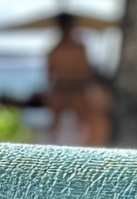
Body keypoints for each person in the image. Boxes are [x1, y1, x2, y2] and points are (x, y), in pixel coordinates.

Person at [44, 13, 112, 146]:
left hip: (61, 90)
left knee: (58, 130)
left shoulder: (54, 50)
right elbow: (86, 72)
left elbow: (50, 74)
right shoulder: (78, 48)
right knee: (84, 127)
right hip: (76, 91)